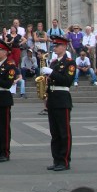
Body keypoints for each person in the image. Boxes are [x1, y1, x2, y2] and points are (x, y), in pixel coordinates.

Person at [40, 34, 76, 172]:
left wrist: (52, 73)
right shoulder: (54, 62)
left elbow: (67, 81)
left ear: (64, 47)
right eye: (54, 45)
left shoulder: (70, 62)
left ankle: (65, 160)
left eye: (57, 45)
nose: (55, 47)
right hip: (53, 98)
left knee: (64, 131)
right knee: (54, 132)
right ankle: (56, 159)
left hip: (62, 98)